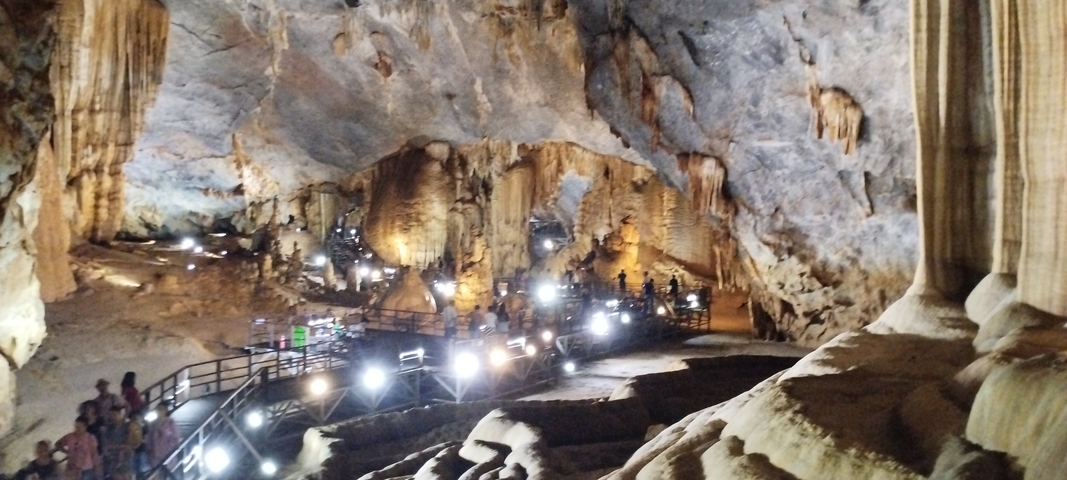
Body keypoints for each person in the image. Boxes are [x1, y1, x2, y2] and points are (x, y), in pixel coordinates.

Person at [101, 406, 141, 480]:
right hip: (113, 458)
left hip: (127, 457)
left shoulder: (128, 426)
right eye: (111, 414)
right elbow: (107, 445)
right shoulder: (108, 429)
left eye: (115, 414)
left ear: (120, 414)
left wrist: (121, 447)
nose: (112, 417)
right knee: (116, 477)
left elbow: (132, 443)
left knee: (126, 476)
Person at [145, 404, 179, 468]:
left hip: (168, 454)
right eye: (158, 409)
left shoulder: (170, 423)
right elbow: (149, 438)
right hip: (155, 456)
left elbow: (175, 437)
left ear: (165, 411)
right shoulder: (153, 424)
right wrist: (149, 451)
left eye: (161, 409)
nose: (159, 412)